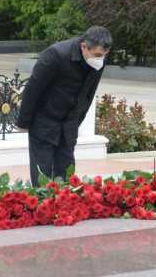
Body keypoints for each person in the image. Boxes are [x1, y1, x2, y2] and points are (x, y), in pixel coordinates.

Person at [16, 26, 111, 186]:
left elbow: (88, 93)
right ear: (83, 46)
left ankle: (64, 209)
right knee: (42, 176)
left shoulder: (98, 60)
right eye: (97, 55)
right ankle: (42, 207)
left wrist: (76, 121)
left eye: (103, 55)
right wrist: (24, 122)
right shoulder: (56, 55)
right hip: (44, 121)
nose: (100, 59)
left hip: (69, 124)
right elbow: (33, 89)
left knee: (67, 175)